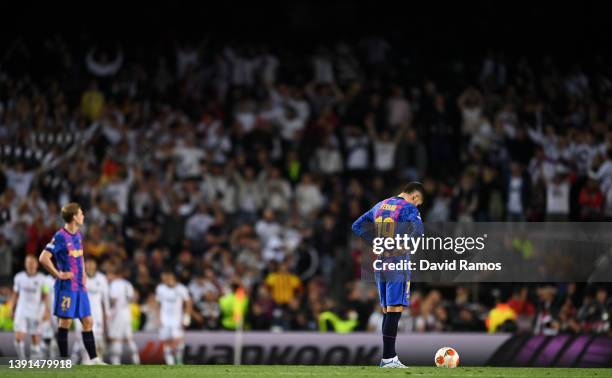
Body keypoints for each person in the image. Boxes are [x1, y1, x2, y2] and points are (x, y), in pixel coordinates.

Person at [352, 182, 424, 368]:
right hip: (397, 262)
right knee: (394, 310)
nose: (417, 207)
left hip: (380, 262)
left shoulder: (380, 205)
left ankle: (388, 358)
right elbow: (418, 232)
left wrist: (375, 242)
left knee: (387, 311)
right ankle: (389, 358)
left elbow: (357, 225)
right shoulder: (408, 208)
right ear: (414, 197)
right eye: (418, 203)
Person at [38, 203, 105, 364]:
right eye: (81, 213)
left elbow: (80, 255)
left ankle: (94, 359)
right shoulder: (60, 236)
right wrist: (58, 274)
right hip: (67, 287)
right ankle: (63, 361)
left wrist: (83, 274)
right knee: (65, 322)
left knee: (88, 321)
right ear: (74, 216)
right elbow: (43, 258)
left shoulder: (78, 235)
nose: (83, 216)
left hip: (79, 286)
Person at [11, 255, 49, 359]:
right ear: (25, 264)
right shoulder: (19, 277)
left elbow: (45, 296)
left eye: (33, 263)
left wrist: (46, 310)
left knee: (35, 339)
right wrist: (11, 308)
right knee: (18, 338)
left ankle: (34, 362)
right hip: (21, 311)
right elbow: (15, 294)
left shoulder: (42, 279)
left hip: (36, 312)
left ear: (36, 264)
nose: (31, 265)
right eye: (28, 262)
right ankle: (22, 359)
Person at [72, 259, 110, 363]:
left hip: (97, 314)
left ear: (95, 265)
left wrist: (107, 313)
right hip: (82, 313)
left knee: (97, 338)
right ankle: (85, 360)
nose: (89, 266)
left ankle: (96, 360)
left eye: (91, 263)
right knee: (81, 338)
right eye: (87, 264)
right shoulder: (78, 277)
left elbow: (105, 298)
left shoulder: (101, 279)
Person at [155, 269, 192, 365]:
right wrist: (158, 317)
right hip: (165, 319)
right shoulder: (160, 288)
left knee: (178, 340)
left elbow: (188, 302)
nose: (165, 279)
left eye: (167, 277)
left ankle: (179, 360)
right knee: (167, 341)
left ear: (172, 278)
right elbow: (158, 304)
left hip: (177, 318)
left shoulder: (181, 289)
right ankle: (169, 363)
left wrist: (187, 317)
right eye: (164, 278)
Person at [107, 264, 140, 365]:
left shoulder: (114, 284)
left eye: (109, 274)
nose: (108, 276)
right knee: (129, 338)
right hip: (127, 312)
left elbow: (113, 299)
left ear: (114, 274)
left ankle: (115, 364)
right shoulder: (128, 284)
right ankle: (136, 361)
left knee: (116, 339)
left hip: (118, 312)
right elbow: (133, 297)